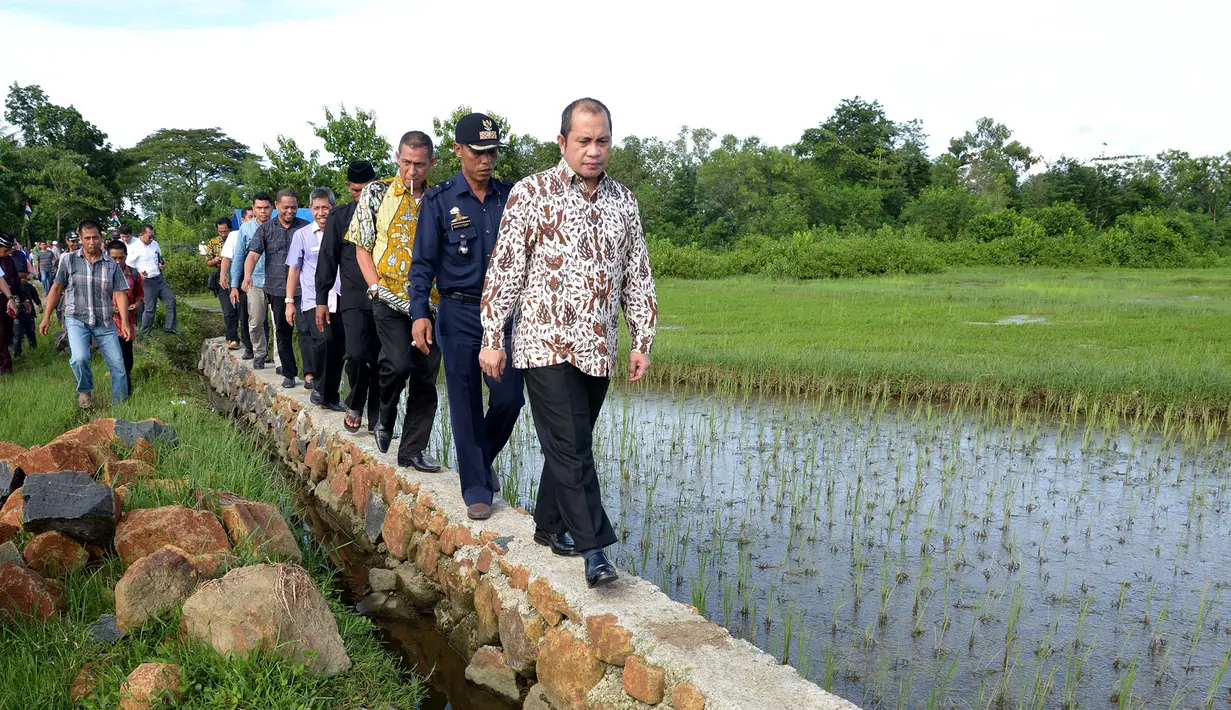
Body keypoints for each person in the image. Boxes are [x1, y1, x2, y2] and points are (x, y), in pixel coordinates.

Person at [480, 98, 658, 588]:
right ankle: (593, 548)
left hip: (598, 344)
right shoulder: (531, 193)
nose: (594, 150)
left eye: (602, 140)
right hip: (544, 341)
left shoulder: (624, 200)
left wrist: (641, 338)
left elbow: (636, 275)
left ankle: (547, 524)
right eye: (583, 141)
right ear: (562, 142)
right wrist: (493, 336)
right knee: (572, 445)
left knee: (571, 441)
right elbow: (505, 269)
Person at [410, 113, 524, 521]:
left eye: (492, 151)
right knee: (464, 401)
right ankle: (476, 485)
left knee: (511, 397)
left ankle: (479, 457)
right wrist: (419, 312)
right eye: (478, 151)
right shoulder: (440, 201)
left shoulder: (512, 197)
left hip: (505, 312)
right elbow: (422, 264)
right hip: (457, 310)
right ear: (458, 150)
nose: (487, 159)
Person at [346, 131, 443, 471]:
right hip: (387, 296)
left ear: (431, 163)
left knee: (425, 378)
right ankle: (385, 410)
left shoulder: (440, 197)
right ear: (397, 159)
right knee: (398, 364)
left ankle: (412, 451)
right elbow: (362, 245)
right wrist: (373, 287)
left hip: (430, 305)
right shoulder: (375, 192)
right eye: (405, 163)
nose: (412, 171)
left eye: (419, 164)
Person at [39, 220, 133, 408]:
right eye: (87, 238)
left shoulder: (111, 265)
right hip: (77, 318)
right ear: (80, 239)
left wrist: (124, 322)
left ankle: (120, 409)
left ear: (101, 238)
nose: (92, 242)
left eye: (95, 238)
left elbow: (120, 293)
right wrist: (46, 316)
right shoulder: (68, 260)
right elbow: (57, 288)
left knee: (119, 367)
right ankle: (85, 389)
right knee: (80, 357)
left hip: (104, 322)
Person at [317, 161, 381, 433]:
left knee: (382, 360)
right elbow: (328, 259)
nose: (362, 195)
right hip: (353, 298)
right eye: (357, 191)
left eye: (367, 189)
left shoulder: (389, 213)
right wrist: (321, 300)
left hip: (386, 298)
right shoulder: (340, 217)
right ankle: (356, 400)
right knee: (355, 354)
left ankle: (378, 417)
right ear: (348, 188)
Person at [287, 188, 346, 411]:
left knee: (340, 347)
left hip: (340, 297)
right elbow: (294, 269)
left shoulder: (343, 231)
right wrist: (289, 301)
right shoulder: (301, 235)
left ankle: (331, 395)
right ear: (310, 209)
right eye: (316, 208)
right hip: (313, 299)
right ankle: (319, 387)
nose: (321, 212)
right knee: (323, 341)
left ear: (333, 207)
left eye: (325, 208)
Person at [244, 188, 308, 389]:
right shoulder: (265, 229)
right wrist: (247, 276)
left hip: (304, 289)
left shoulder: (305, 228)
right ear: (277, 206)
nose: (290, 211)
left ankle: (310, 375)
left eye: (294, 207)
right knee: (283, 332)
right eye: (286, 207)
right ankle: (289, 373)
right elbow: (253, 254)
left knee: (307, 332)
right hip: (277, 288)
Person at [233, 194, 275, 368]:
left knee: (279, 324)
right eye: (259, 208)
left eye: (266, 207)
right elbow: (238, 257)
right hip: (255, 281)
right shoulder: (246, 229)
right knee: (255, 320)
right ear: (254, 208)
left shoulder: (278, 227)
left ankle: (281, 362)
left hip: (277, 281)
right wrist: (235, 284)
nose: (263, 211)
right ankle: (259, 353)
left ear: (272, 208)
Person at [106, 239, 143, 397]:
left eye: (120, 258)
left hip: (127, 322)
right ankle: (122, 394)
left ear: (126, 256)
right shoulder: (102, 274)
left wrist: (137, 304)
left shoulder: (134, 274)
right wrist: (109, 307)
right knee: (116, 359)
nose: (117, 261)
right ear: (108, 257)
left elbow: (140, 295)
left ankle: (126, 387)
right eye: (114, 258)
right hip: (108, 324)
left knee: (127, 358)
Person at [128, 224, 179, 336]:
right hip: (146, 281)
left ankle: (170, 328)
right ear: (141, 235)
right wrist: (138, 273)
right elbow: (128, 264)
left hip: (158, 278)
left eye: (153, 236)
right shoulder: (135, 247)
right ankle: (144, 333)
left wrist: (161, 264)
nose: (151, 239)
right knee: (150, 308)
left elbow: (159, 257)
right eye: (149, 237)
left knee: (171, 300)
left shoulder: (155, 244)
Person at [222, 207, 256, 359]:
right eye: (250, 216)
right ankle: (247, 345)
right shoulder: (235, 235)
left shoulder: (266, 230)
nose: (253, 219)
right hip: (242, 277)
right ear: (243, 220)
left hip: (260, 278)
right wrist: (224, 275)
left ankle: (262, 350)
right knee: (242, 312)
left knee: (259, 317)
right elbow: (228, 258)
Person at [206, 217, 240, 349]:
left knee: (239, 309)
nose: (223, 234)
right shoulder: (213, 242)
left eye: (225, 231)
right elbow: (207, 262)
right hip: (221, 276)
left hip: (237, 274)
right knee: (228, 310)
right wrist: (214, 261)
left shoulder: (238, 238)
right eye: (220, 231)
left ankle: (236, 336)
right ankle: (232, 337)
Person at [0, 233, 23, 374]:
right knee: (0, 333)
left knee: (8, 332)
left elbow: (15, 281)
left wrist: (22, 298)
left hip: (7, 300)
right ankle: (5, 368)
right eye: (6, 249)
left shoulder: (8, 261)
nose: (9, 252)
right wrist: (9, 297)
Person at [11, 277, 40, 359]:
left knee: (31, 333)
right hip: (17, 317)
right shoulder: (11, 289)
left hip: (29, 314)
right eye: (20, 277)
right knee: (18, 335)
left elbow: (36, 297)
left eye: (25, 277)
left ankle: (33, 349)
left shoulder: (29, 287)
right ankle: (17, 354)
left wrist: (39, 305)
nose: (23, 279)